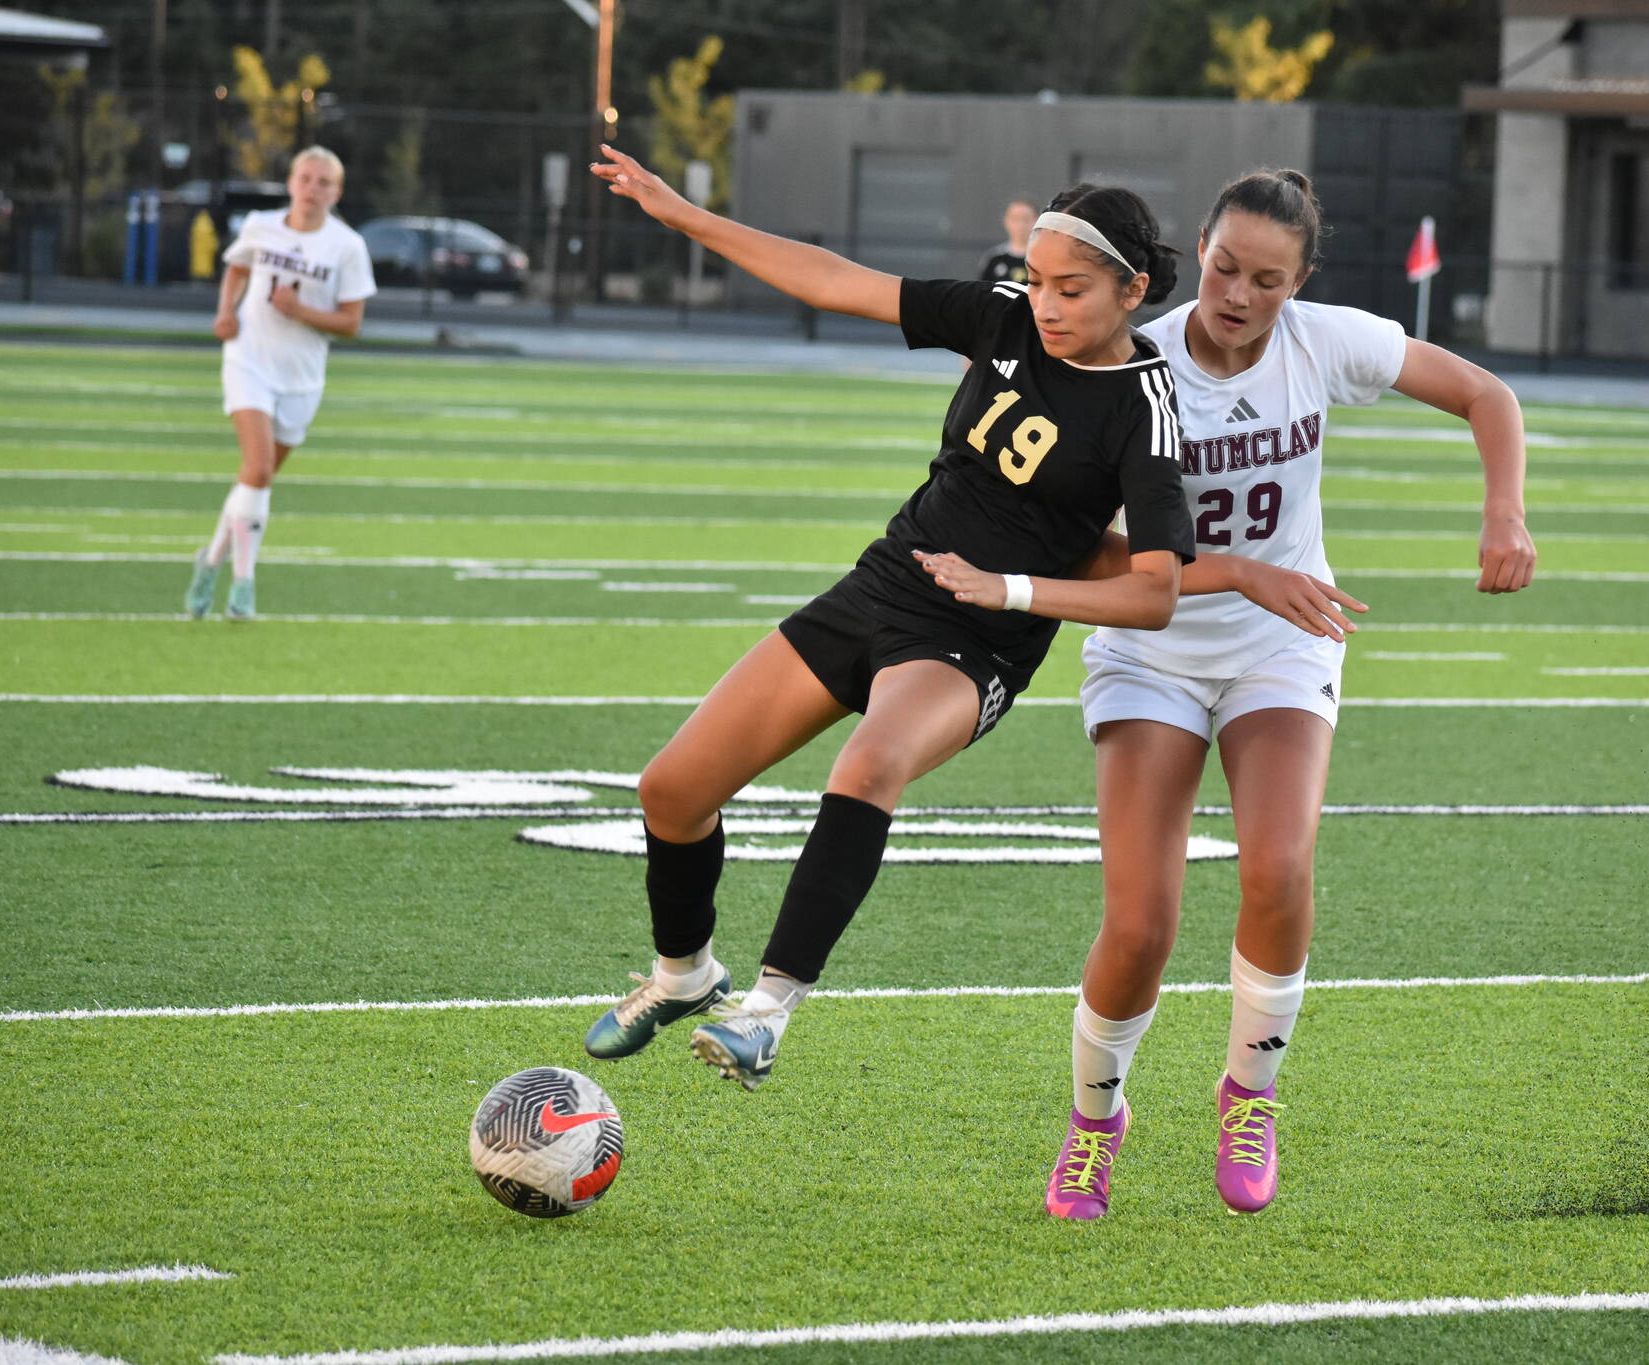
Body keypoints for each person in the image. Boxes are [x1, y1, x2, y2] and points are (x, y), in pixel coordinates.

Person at [926, 170, 1535, 1219]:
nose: (1239, 293)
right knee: (1139, 928)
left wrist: (1504, 515)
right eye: (1222, 267)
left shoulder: (1325, 343)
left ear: (1298, 283)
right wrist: (1241, 569)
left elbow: (1487, 394)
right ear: (1194, 249)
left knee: (1280, 869)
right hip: (1148, 651)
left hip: (1277, 652)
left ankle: (1248, 1097)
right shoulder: (1132, 366)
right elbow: (1102, 558)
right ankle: (1092, 1124)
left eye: (1266, 278)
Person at [579, 143, 1195, 1092]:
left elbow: (1154, 590)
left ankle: (769, 1013)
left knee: (868, 764)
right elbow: (834, 280)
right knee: (671, 790)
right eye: (1035, 281)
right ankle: (684, 974)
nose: (1046, 304)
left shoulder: (1146, 407)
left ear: (1132, 289)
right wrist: (687, 217)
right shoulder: (1002, 320)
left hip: (973, 640)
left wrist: (1011, 591)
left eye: (1071, 289)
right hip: (882, 584)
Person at [185, 146, 375, 622]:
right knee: (260, 466)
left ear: (337, 192)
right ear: (291, 183)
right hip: (249, 359)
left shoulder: (346, 246)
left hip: (302, 377)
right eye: (306, 179)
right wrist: (225, 312)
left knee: (255, 479)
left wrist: (301, 311)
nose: (313, 189)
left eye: (324, 183)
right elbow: (238, 268)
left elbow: (351, 323)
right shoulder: (259, 226)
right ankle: (245, 584)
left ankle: (210, 561)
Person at [978, 198, 1036, 285]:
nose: (1020, 225)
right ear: (1005, 220)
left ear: (1037, 220)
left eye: (1026, 219)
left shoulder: (1043, 259)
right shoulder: (994, 259)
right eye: (1015, 218)